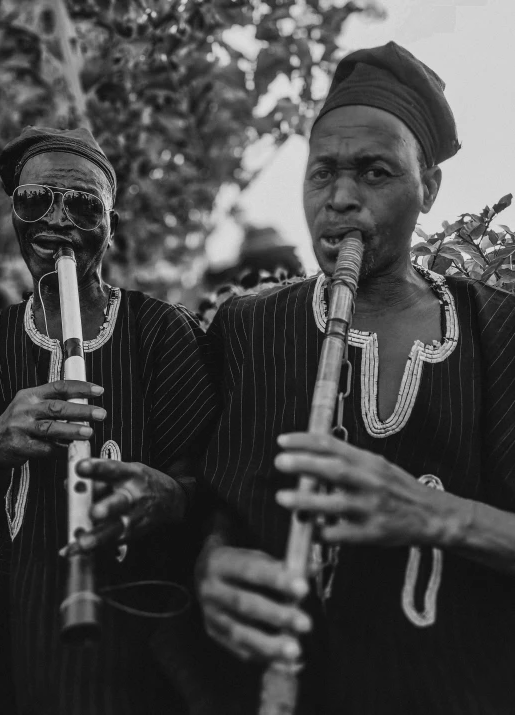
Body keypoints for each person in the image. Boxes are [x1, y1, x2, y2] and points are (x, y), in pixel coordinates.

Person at [193, 42, 515, 714]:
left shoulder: (502, 332)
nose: (341, 199)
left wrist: (441, 515)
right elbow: (216, 496)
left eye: (375, 172)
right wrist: (210, 563)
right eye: (322, 175)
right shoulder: (248, 327)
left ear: (428, 187)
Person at [0, 126, 219, 715]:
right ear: (14, 214)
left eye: (85, 204)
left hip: (138, 619)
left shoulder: (161, 331)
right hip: (10, 626)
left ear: (110, 225)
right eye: (36, 199)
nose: (59, 219)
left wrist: (166, 493)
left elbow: (208, 487)